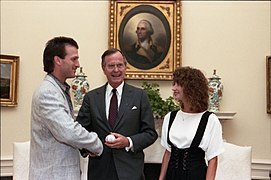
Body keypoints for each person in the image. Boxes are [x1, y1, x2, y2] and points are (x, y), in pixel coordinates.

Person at [76, 48, 158, 180]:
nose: (116, 70)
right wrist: (87, 148)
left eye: (120, 65)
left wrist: (128, 142)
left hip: (130, 172)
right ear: (103, 69)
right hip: (99, 171)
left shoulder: (140, 96)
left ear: (125, 67)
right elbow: (80, 130)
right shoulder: (91, 98)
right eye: (111, 66)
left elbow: (150, 133)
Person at [29, 36, 103, 180]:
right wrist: (97, 143)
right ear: (58, 60)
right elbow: (68, 132)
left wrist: (84, 146)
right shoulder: (48, 92)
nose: (77, 64)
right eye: (74, 59)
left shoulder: (59, 89)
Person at [159, 67, 224, 180]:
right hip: (171, 175)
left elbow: (213, 159)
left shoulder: (210, 120)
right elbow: (168, 153)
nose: (173, 88)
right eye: (174, 84)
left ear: (191, 88)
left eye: (178, 84)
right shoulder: (170, 117)